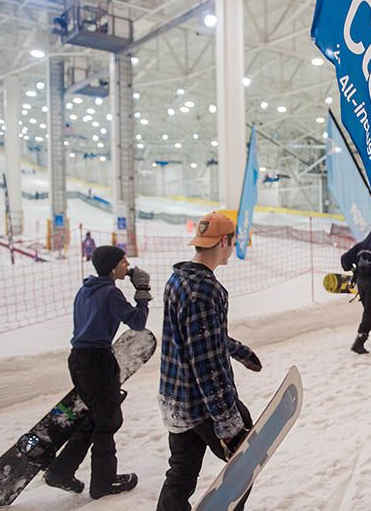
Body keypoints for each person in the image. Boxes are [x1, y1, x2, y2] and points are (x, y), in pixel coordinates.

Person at [157, 212, 263, 511]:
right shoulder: (204, 292)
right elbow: (208, 367)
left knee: (180, 475)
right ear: (225, 241)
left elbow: (197, 339)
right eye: (232, 242)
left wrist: (239, 351)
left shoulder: (179, 279)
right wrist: (228, 422)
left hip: (175, 399)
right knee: (245, 460)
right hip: (200, 402)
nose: (232, 248)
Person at [44, 245, 151, 499]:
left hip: (78, 359)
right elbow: (137, 323)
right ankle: (104, 483)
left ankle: (61, 470)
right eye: (124, 262)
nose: (128, 266)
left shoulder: (85, 289)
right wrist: (143, 292)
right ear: (113, 267)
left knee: (94, 417)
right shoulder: (110, 294)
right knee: (108, 421)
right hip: (97, 361)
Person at [341, 225, 371, 354]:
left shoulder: (359, 246)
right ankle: (359, 341)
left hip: (360, 282)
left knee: (369, 309)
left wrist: (351, 269)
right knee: (369, 311)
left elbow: (344, 259)